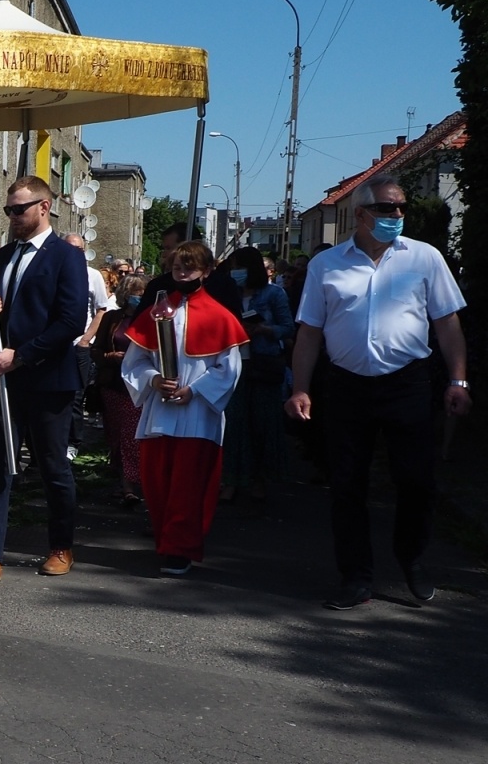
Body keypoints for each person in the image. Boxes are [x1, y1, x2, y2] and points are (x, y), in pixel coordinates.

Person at [287, 173, 471, 611]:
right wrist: (300, 388)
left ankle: (411, 558)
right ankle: (356, 576)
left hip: (406, 382)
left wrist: (458, 379)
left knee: (416, 481)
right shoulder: (327, 265)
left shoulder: (424, 258)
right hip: (348, 386)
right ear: (362, 214)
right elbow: (309, 333)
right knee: (348, 485)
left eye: (402, 207)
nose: (397, 216)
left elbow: (447, 323)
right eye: (388, 208)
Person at [0, 176, 87, 584]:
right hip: (5, 378)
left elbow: (71, 320)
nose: (13, 217)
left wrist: (23, 354)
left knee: (52, 466)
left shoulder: (64, 256)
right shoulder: (6, 256)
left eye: (20, 209)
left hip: (47, 378)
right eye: (9, 210)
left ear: (44, 207)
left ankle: (61, 545)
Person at [121, 242, 248, 575]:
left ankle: (182, 548)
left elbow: (229, 368)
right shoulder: (159, 312)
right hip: (160, 412)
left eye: (189, 269)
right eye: (177, 269)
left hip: (197, 415)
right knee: (158, 483)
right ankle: (166, 540)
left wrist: (196, 390)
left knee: (188, 486)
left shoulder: (220, 317)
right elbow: (135, 362)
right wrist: (152, 380)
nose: (181, 275)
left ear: (205, 272)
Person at [218, 246, 293, 502]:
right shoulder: (229, 293)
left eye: (239, 266)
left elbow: (288, 327)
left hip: (263, 361)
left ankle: (259, 479)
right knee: (234, 424)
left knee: (262, 423)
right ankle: (232, 479)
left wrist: (262, 329)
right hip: (235, 362)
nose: (235, 271)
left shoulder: (274, 293)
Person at [92, 273, 148, 507]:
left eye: (142, 294)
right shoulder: (113, 318)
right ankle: (121, 478)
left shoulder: (149, 319)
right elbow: (96, 350)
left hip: (137, 387)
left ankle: (130, 485)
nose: (138, 298)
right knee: (115, 435)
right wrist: (109, 356)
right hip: (113, 384)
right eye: (134, 294)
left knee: (130, 435)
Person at [62, 232, 110, 460]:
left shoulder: (93, 276)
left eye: (79, 249)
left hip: (80, 345)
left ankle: (73, 442)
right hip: (55, 344)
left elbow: (101, 309)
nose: (75, 253)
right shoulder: (55, 272)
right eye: (70, 248)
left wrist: (85, 340)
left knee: (75, 397)